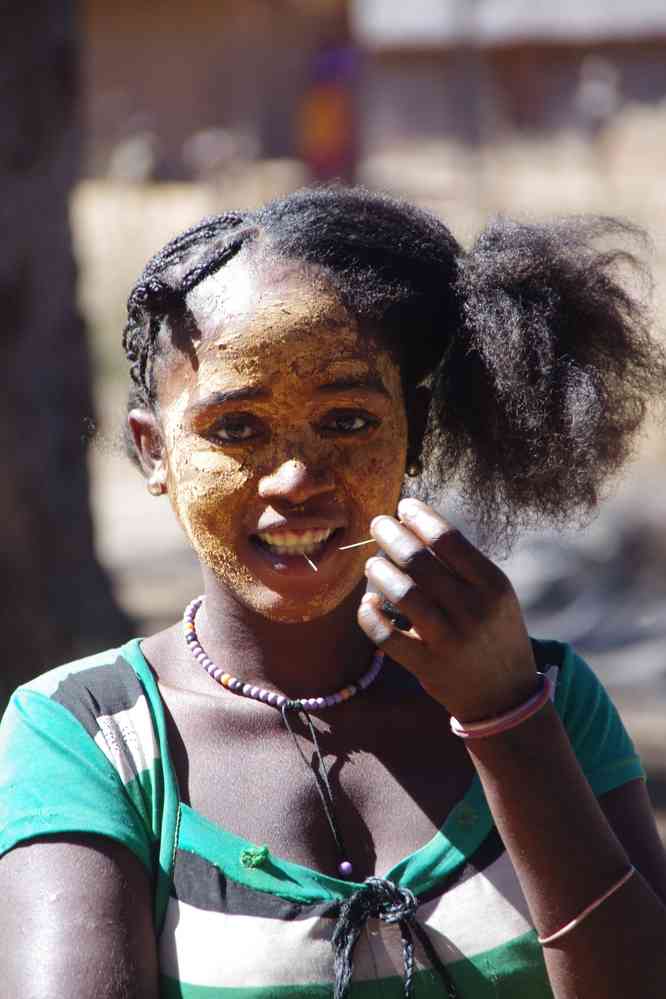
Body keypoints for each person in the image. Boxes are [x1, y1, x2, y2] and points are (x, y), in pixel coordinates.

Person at [1, 187, 665, 999]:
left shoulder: (549, 700)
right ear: (154, 454)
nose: (295, 480)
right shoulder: (90, 737)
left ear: (412, 430)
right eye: (235, 428)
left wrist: (504, 718)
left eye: (347, 420)